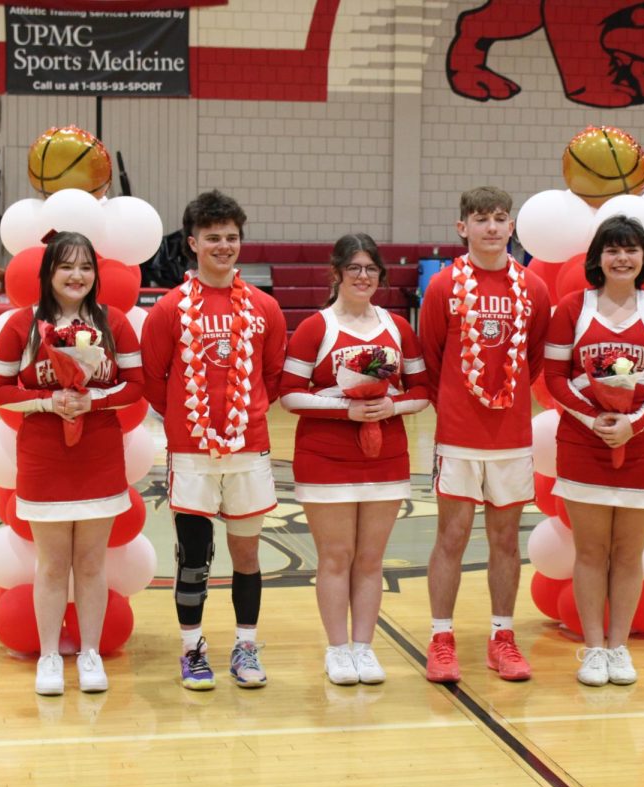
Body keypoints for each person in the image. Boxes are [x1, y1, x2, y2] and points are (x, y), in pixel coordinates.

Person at [142, 190, 287, 691]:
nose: (224, 246)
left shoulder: (266, 307)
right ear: (192, 243)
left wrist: (239, 420)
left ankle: (245, 646)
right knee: (194, 555)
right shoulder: (168, 310)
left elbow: (272, 376)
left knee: (247, 556)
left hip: (249, 449)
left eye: (231, 237)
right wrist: (190, 423)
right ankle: (192, 649)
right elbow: (154, 380)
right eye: (213, 238)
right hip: (192, 453)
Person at [0, 231, 144, 696]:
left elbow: (135, 386)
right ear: (47, 273)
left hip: (98, 454)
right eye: (66, 267)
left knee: (93, 564)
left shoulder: (114, 322)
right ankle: (51, 655)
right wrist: (46, 402)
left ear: (96, 275)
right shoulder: (21, 325)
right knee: (53, 566)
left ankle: (92, 653)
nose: (77, 276)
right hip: (43, 457)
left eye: (86, 267)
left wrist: (90, 402)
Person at [280, 234, 430, 685]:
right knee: (335, 556)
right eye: (354, 269)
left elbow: (422, 392)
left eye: (370, 269)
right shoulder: (316, 327)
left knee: (369, 558)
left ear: (380, 276)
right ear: (337, 274)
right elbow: (289, 395)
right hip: (325, 457)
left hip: (385, 456)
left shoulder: (398, 328)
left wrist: (393, 406)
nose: (363, 277)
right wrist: (344, 408)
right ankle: (337, 649)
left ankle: (364, 648)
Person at [544, 215, 644, 686]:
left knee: (628, 553)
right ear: (597, 258)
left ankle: (619, 647)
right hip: (584, 442)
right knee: (590, 551)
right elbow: (554, 379)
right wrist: (595, 419)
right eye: (612, 250)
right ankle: (593, 649)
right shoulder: (570, 308)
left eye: (630, 250)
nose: (621, 258)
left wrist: (633, 424)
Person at [418, 186, 551, 683]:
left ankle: (502, 637)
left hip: (512, 438)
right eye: (481, 219)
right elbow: (431, 360)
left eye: (500, 218)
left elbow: (534, 359)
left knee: (505, 541)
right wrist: (456, 405)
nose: (492, 227)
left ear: (511, 227)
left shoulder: (533, 288)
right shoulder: (444, 285)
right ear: (462, 228)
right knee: (450, 537)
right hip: (458, 435)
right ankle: (442, 638)